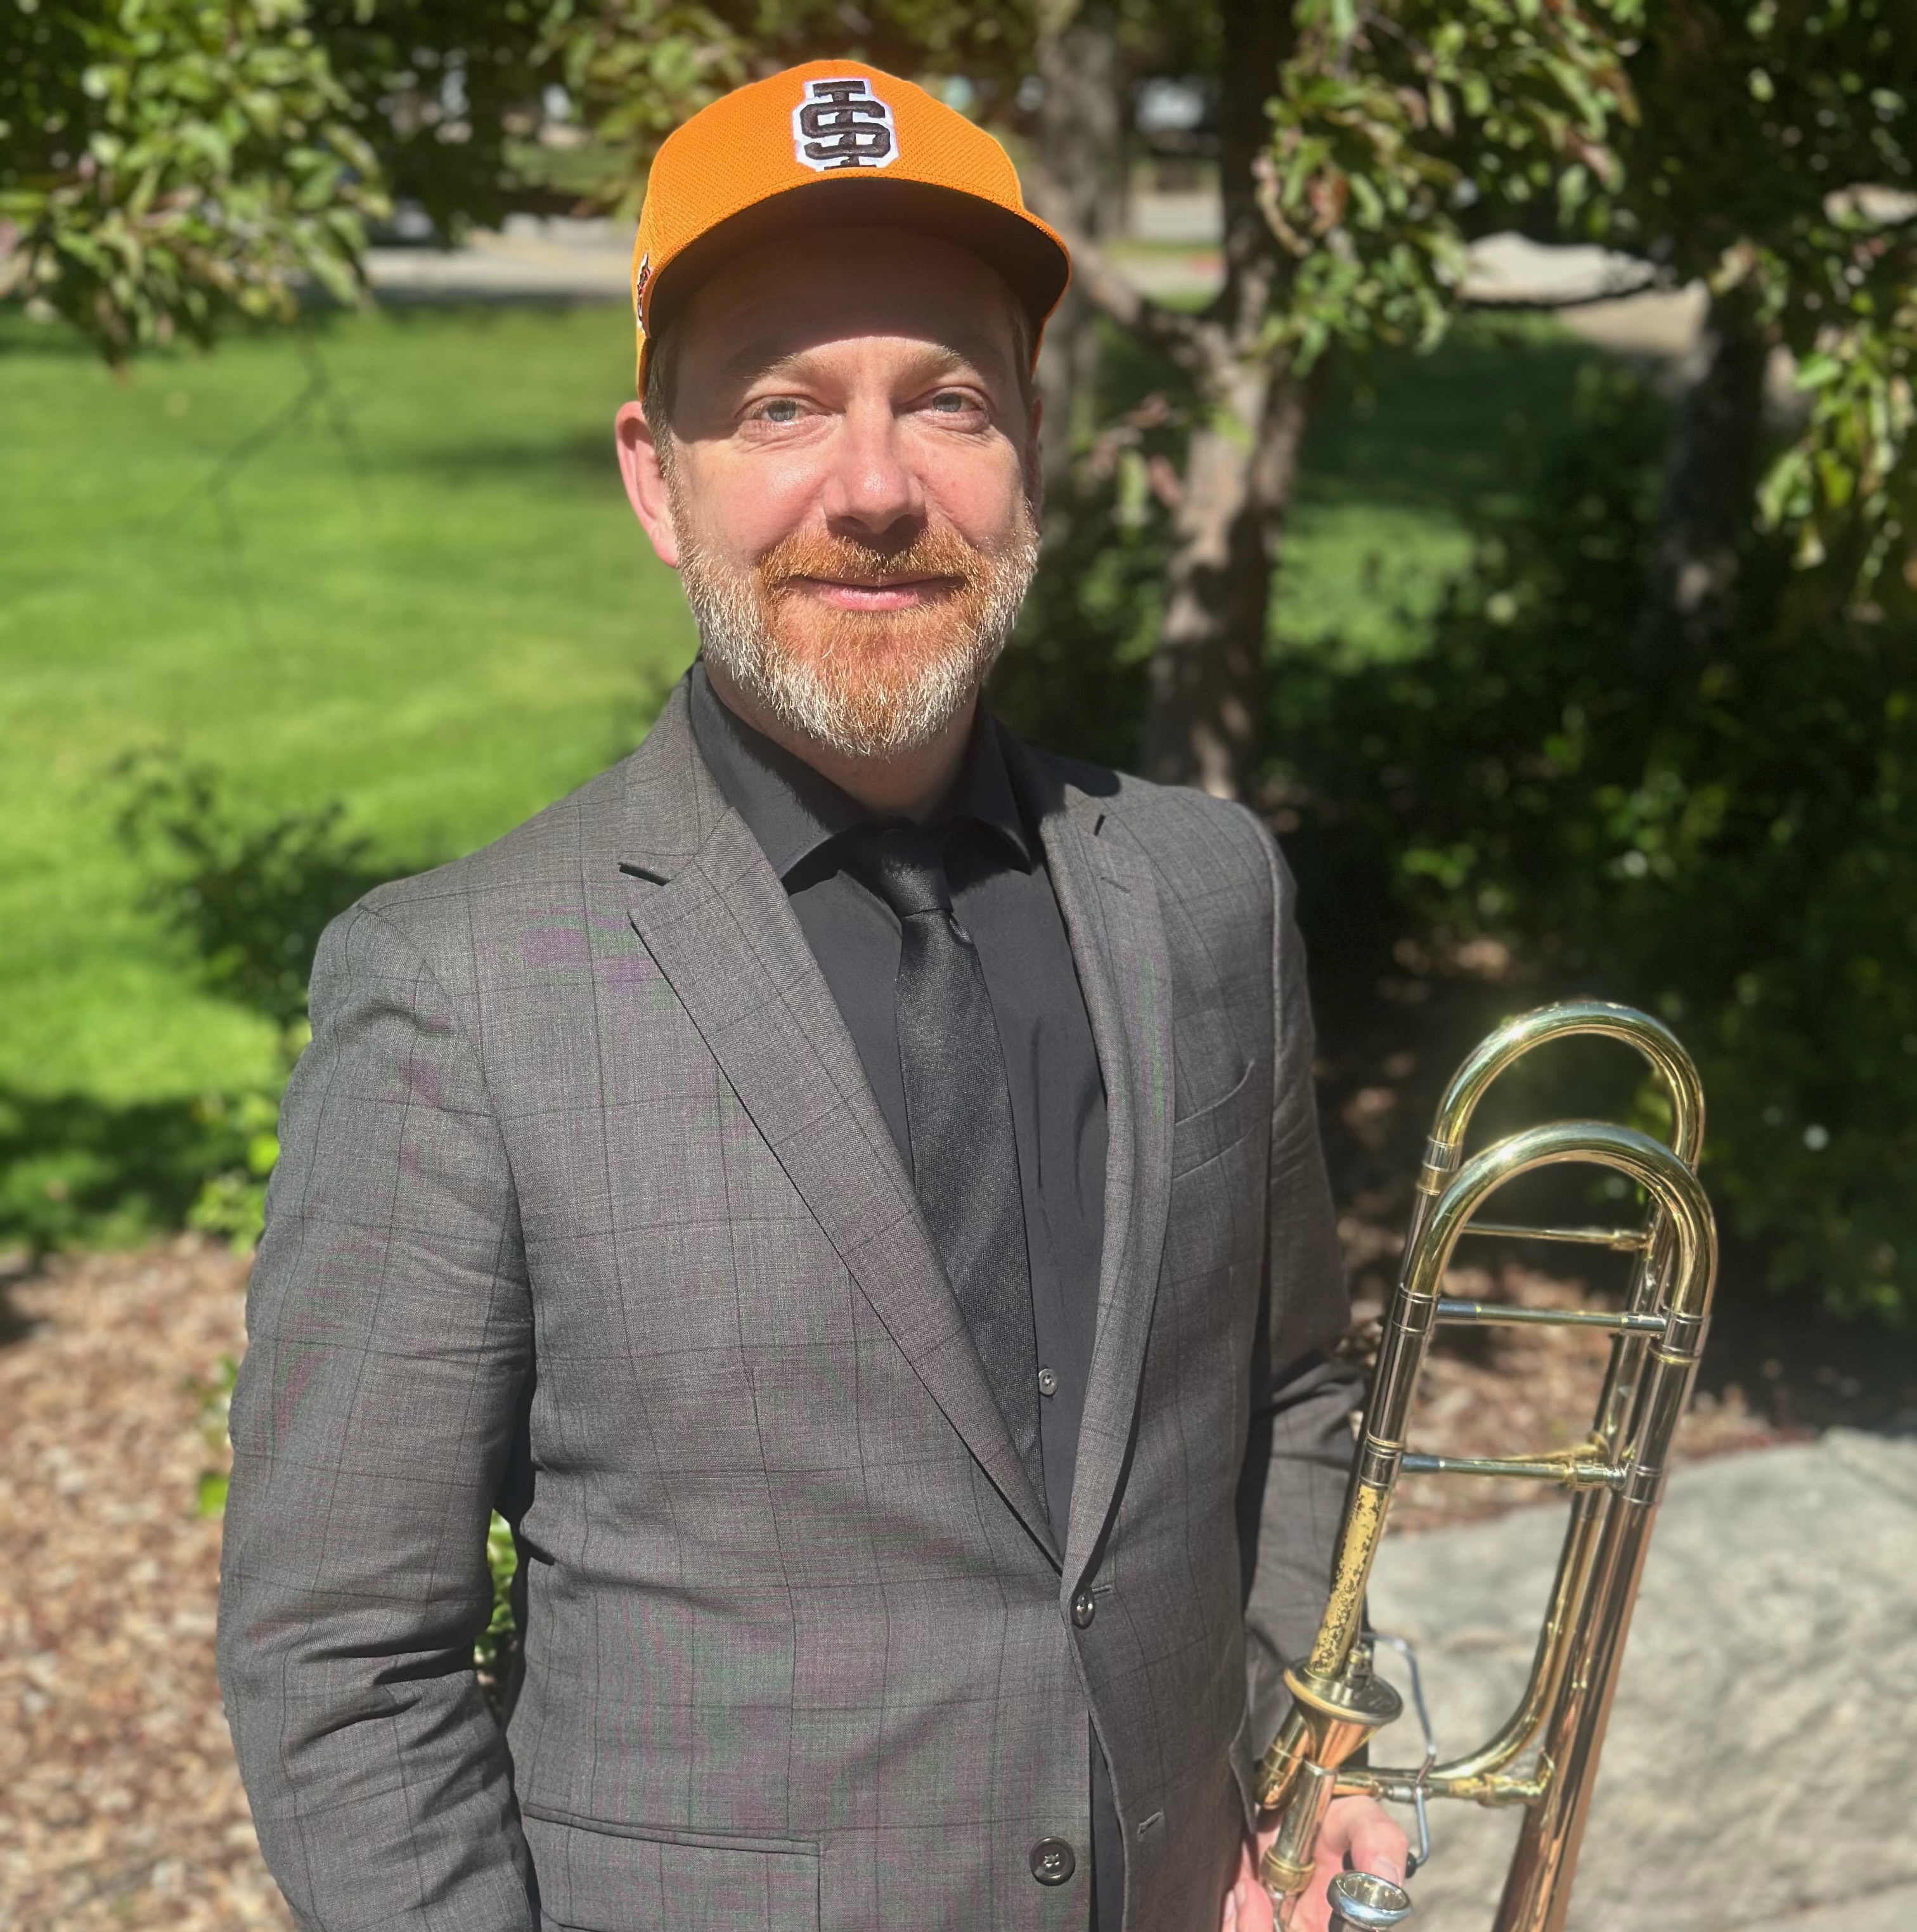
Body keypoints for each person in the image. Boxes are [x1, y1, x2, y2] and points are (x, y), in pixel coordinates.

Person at [216, 59, 1407, 1932]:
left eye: (947, 401)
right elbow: (343, 1662)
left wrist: (1309, 1753)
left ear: (1031, 447)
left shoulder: (1205, 893)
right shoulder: (459, 993)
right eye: (782, 405)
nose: (874, 488)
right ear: (656, 476)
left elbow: (1290, 1392)